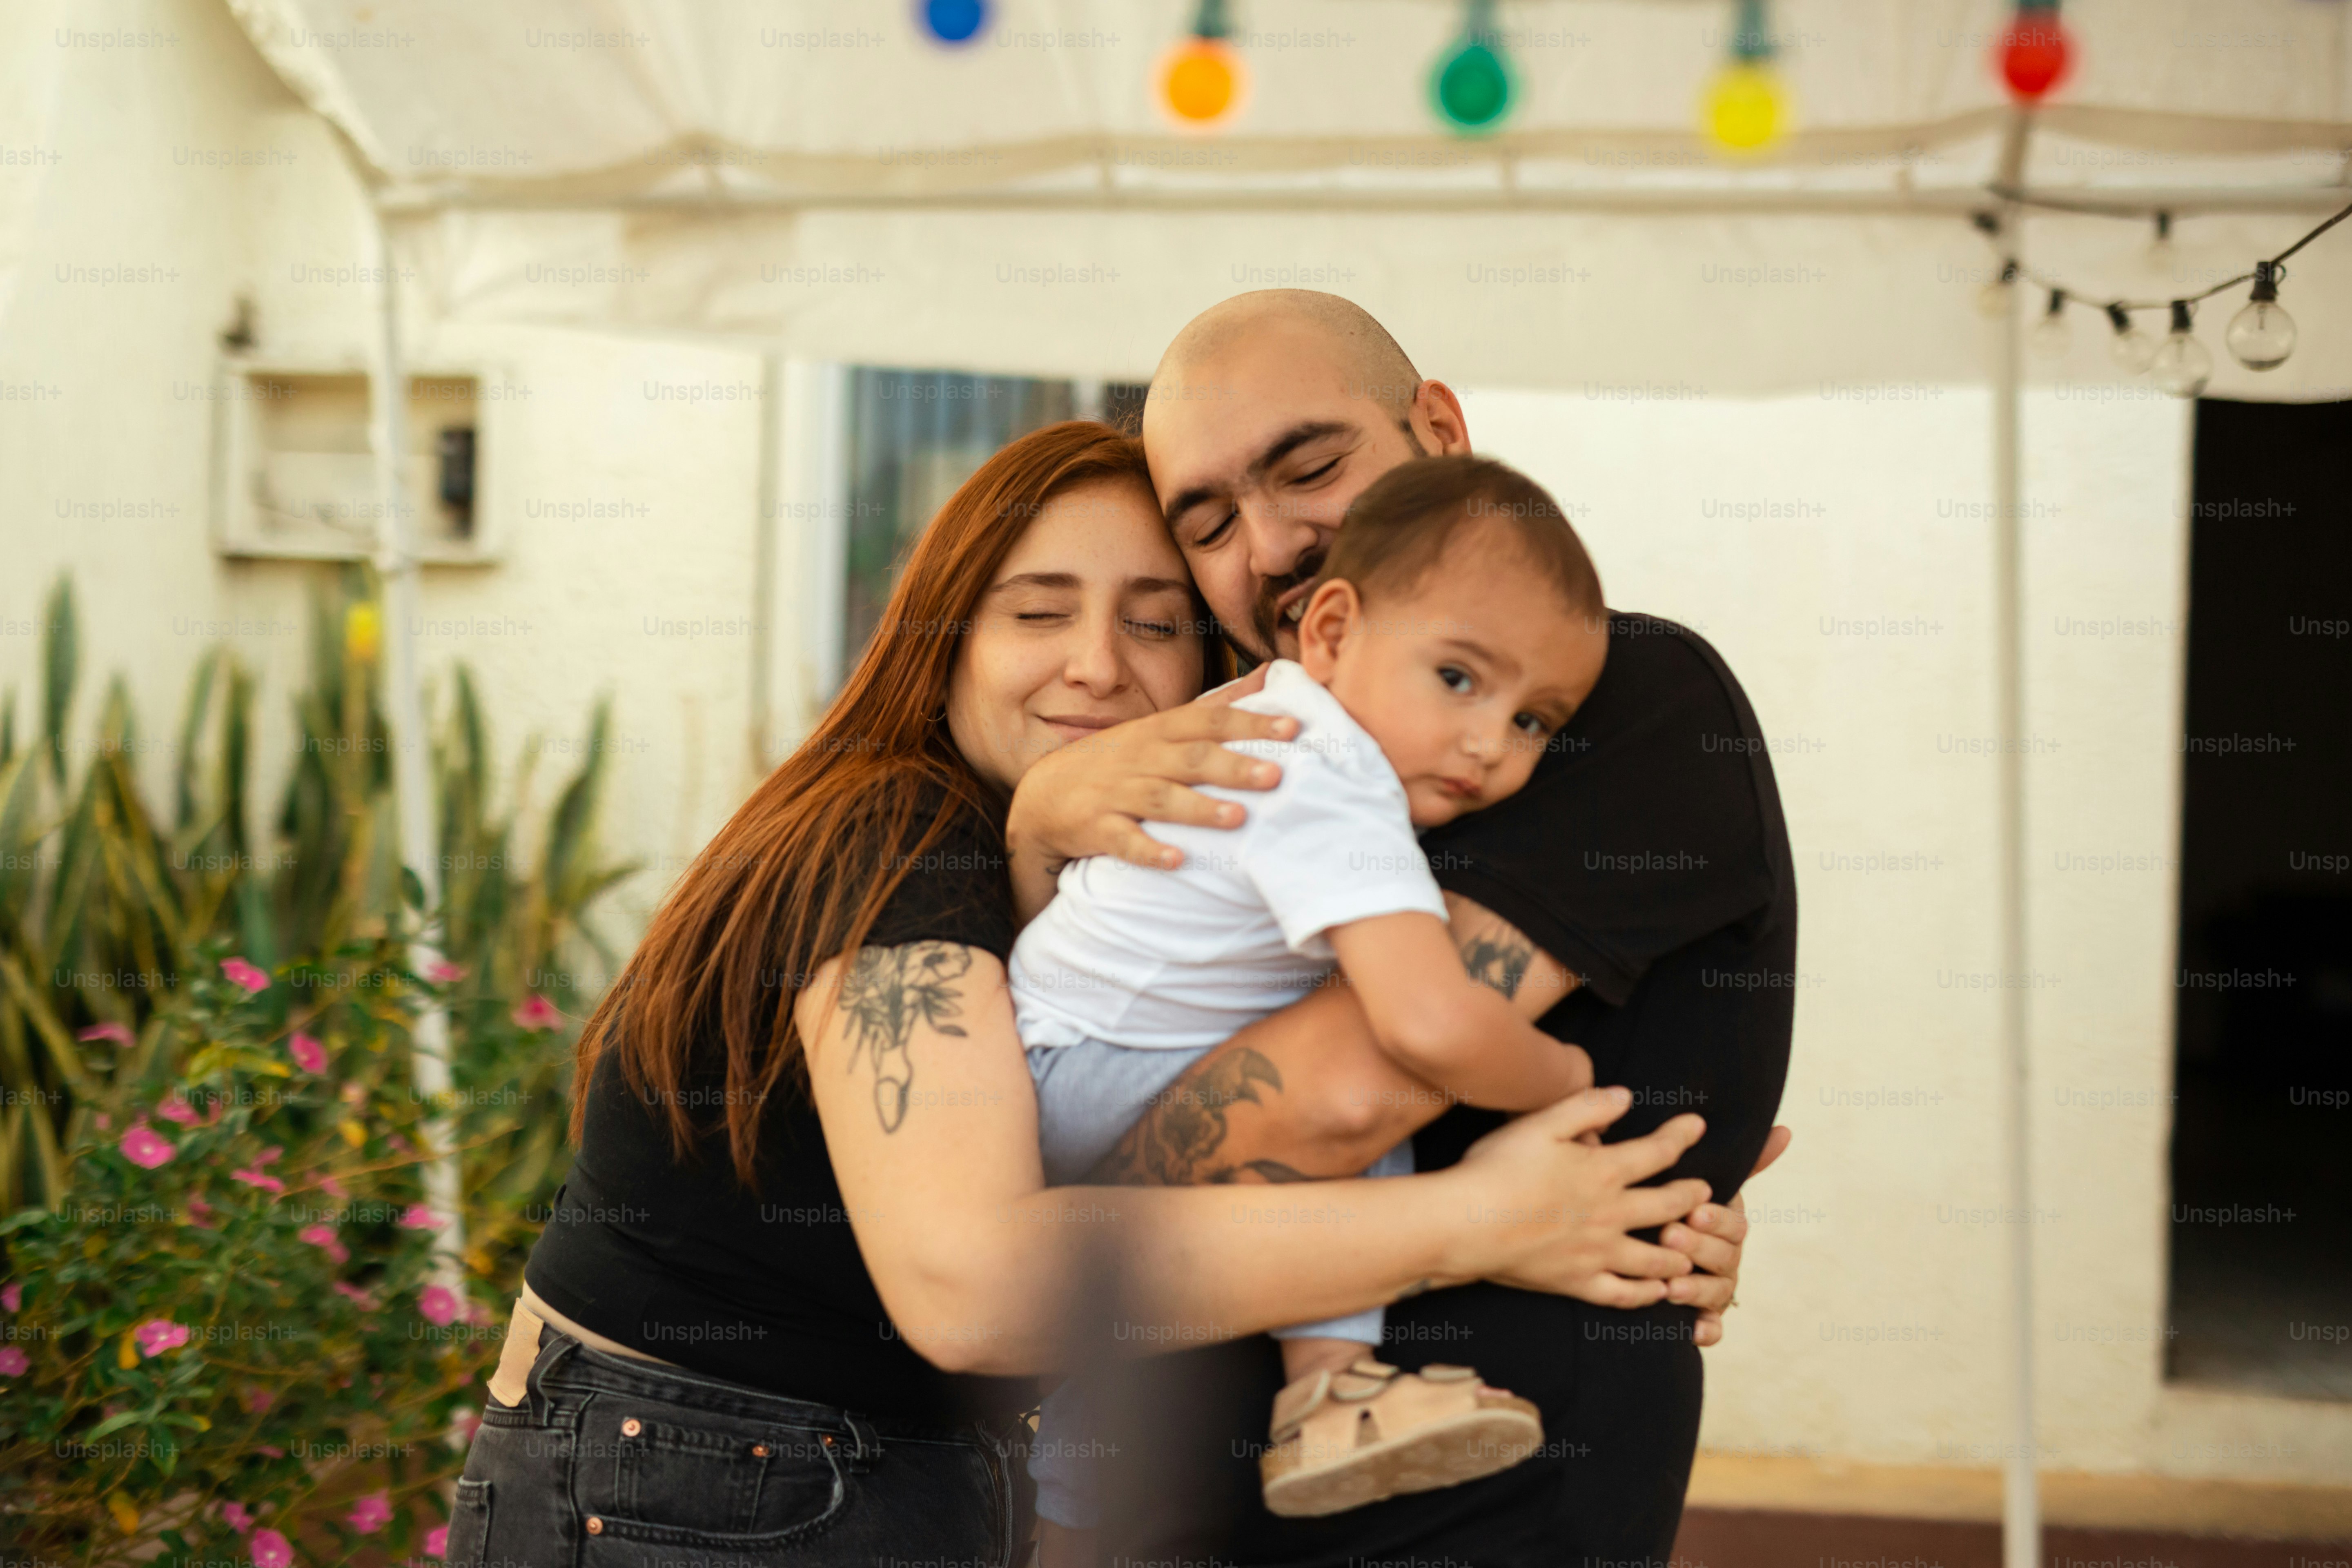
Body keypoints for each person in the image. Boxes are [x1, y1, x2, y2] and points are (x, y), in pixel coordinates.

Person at [451, 420, 1745, 1568]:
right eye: (1037, 610)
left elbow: (1222, 1118)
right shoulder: (891, 837)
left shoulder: (1089, 872)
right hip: (696, 1479)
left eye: (1152, 620)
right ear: (943, 638)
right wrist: (1487, 1218)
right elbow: (974, 1285)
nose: (1095, 666)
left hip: (829, 1473)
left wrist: (1652, 1199)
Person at [1004, 292, 1799, 1566]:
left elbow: (1332, 1103)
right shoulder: (1268, 754)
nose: (1269, 544)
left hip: (1461, 1515)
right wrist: (1038, 825)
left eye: (1312, 465)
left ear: (1438, 427)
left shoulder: (1629, 697)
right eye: (1206, 525)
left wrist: (1031, 1243)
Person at [1014, 455, 1609, 1525]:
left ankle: (1270, 1411)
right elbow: (1432, 1023)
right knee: (1367, 1074)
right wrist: (1569, 1081)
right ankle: (1322, 1394)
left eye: (1536, 721)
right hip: (1090, 1065)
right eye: (1462, 680)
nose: (1491, 743)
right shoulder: (1329, 775)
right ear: (1331, 633)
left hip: (1072, 1053)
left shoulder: (1288, 726)